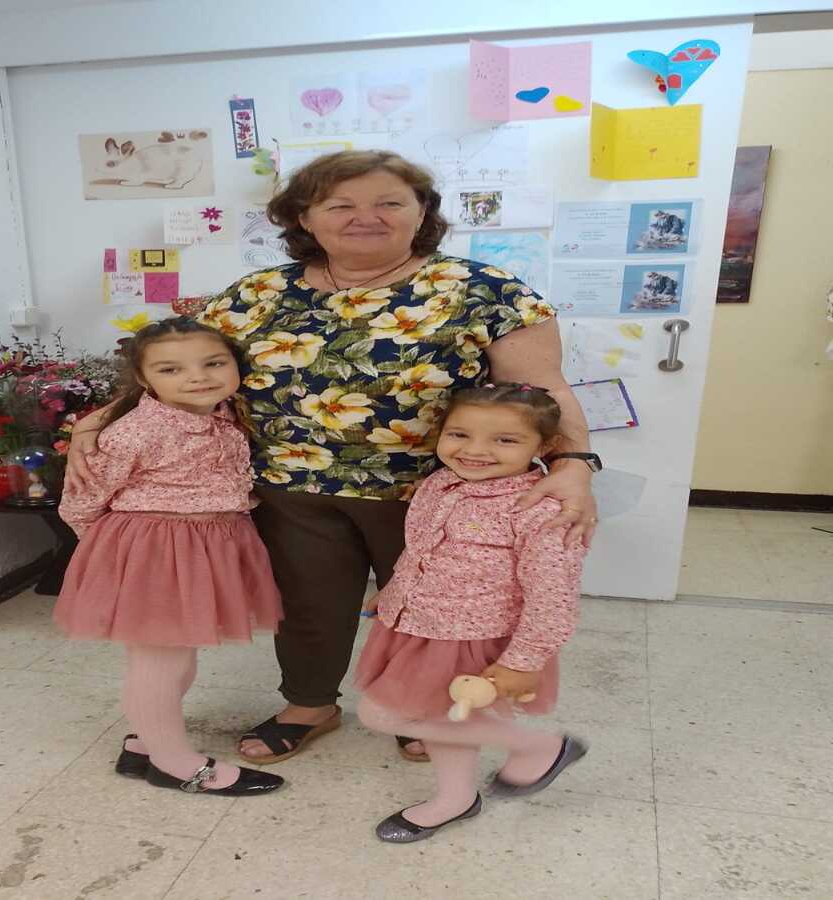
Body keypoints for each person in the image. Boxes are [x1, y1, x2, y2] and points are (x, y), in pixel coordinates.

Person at [68, 150, 599, 765]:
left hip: (435, 493)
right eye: (340, 205)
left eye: (388, 202)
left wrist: (575, 465)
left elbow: (545, 390)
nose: (363, 217)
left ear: (421, 212)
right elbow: (177, 365)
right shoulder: (257, 295)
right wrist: (100, 420)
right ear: (305, 218)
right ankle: (309, 705)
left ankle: (428, 710)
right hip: (290, 487)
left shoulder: (485, 291)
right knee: (308, 606)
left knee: (439, 610)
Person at [54, 317, 286, 797]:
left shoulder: (228, 412)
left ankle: (146, 743)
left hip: (210, 543)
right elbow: (81, 499)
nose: (197, 377)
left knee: (181, 656)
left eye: (213, 363)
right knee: (159, 660)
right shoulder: (134, 432)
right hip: (155, 551)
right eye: (171, 369)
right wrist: (112, 556)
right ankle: (175, 763)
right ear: (144, 379)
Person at [354, 383, 588, 842]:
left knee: (381, 715)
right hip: (418, 625)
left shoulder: (540, 511)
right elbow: (421, 545)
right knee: (446, 719)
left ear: (545, 446)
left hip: (471, 638)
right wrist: (397, 588)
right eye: (459, 434)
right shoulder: (440, 484)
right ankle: (455, 798)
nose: (475, 451)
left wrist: (524, 660)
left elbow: (554, 598)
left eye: (505, 439)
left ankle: (539, 748)